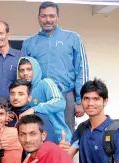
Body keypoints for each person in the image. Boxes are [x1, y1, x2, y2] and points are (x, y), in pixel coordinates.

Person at [23, 1, 89, 132]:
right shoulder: (29, 43)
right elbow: (23, 75)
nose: (48, 20)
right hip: (39, 98)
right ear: (38, 17)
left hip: (65, 96)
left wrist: (80, 100)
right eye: (44, 16)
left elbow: (82, 69)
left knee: (65, 136)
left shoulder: (72, 38)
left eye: (52, 16)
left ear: (58, 17)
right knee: (38, 135)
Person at [17, 57, 70, 143]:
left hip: (58, 138)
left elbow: (60, 102)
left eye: (29, 69)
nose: (25, 73)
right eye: (22, 70)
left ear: (36, 69)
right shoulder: (22, 91)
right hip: (36, 141)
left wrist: (34, 109)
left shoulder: (45, 83)